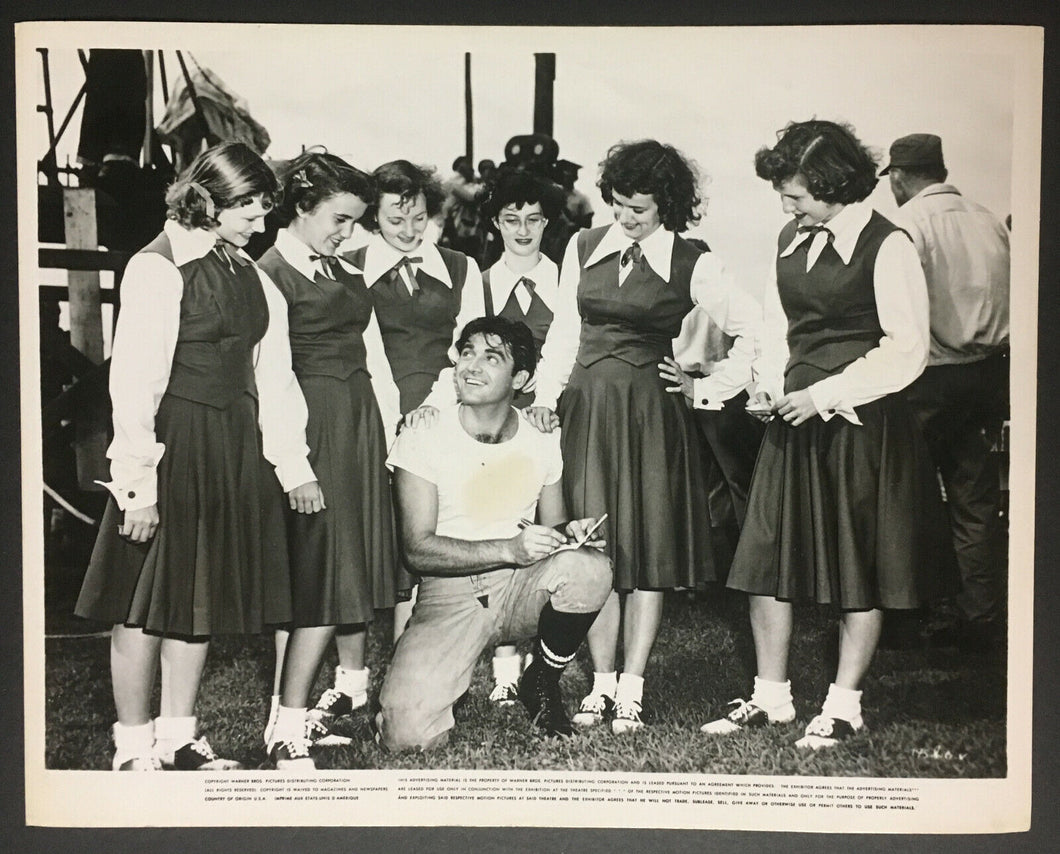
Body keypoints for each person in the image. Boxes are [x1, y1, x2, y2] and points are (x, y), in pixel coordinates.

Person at [701, 120, 957, 749]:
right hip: (793, 418)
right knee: (764, 561)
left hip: (859, 424)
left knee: (857, 568)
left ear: (835, 184)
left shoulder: (888, 244)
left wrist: (823, 395)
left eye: (796, 196)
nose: (786, 207)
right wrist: (764, 386)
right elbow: (777, 325)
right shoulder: (792, 237)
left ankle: (844, 706)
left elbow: (907, 351)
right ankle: (772, 698)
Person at [74, 141, 323, 770]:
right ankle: (132, 747)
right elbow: (134, 381)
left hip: (233, 448)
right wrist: (138, 485)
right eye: (248, 211)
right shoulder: (155, 267)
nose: (260, 225)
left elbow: (276, 379)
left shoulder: (254, 275)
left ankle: (178, 736)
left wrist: (292, 466)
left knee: (196, 597)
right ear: (207, 198)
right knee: (142, 603)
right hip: (173, 445)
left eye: (264, 212)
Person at [528, 139, 760, 734]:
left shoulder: (695, 261)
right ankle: (600, 685)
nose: (628, 219)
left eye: (642, 210)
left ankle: (633, 686)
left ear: (669, 207)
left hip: (653, 419)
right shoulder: (581, 247)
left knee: (648, 554)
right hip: (587, 412)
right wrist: (547, 401)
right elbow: (562, 333)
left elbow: (754, 330)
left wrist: (704, 385)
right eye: (619, 205)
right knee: (594, 551)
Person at [376, 316, 613, 750]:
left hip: (521, 585)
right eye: (466, 353)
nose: (471, 367)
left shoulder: (540, 436)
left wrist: (569, 533)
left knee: (589, 568)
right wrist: (509, 548)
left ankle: (540, 679)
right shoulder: (425, 432)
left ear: (520, 377)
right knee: (407, 737)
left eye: (491, 358)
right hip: (449, 594)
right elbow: (417, 550)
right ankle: (441, 678)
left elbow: (552, 526)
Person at [255, 151, 400, 769]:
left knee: (342, 578)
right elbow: (270, 378)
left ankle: (293, 717)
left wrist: (393, 442)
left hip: (360, 430)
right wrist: (296, 465)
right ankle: (286, 725)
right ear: (301, 207)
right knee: (318, 580)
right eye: (339, 219)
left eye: (355, 222)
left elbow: (377, 363)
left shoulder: (343, 271)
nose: (348, 233)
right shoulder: (267, 274)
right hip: (314, 436)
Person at [413, 170, 569, 703]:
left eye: (534, 220)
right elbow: (458, 359)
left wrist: (547, 402)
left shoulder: (564, 278)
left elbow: (572, 346)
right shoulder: (478, 281)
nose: (522, 230)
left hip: (547, 419)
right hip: (484, 424)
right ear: (495, 223)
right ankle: (503, 675)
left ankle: (538, 662)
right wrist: (433, 411)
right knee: (496, 519)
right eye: (510, 219)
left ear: (548, 223)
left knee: (546, 528)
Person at [339, 160, 483, 689]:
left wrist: (437, 403)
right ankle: (350, 679)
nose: (408, 230)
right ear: (372, 218)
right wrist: (390, 415)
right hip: (369, 413)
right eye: (395, 220)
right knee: (366, 542)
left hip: (441, 412)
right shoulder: (347, 265)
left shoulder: (461, 268)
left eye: (418, 218)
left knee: (428, 544)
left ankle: (415, 672)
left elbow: (473, 351)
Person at [881, 133, 1010, 653]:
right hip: (989, 374)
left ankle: (905, 615)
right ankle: (979, 615)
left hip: (931, 375)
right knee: (972, 495)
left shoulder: (908, 224)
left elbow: (902, 313)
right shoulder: (987, 219)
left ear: (898, 176)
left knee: (903, 497)